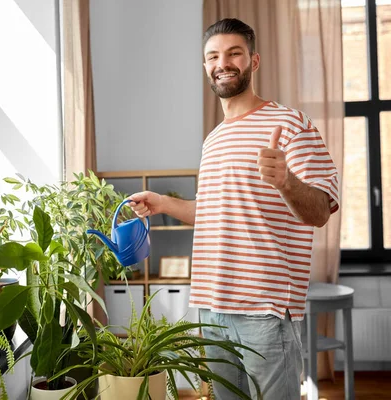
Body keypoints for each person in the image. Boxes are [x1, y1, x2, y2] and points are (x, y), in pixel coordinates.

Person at [128, 18, 339, 400]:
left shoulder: (290, 124)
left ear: (253, 62)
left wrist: (285, 181)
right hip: (211, 304)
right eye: (213, 56)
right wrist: (160, 203)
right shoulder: (214, 139)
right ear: (205, 66)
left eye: (233, 53)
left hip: (265, 307)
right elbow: (214, 213)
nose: (222, 62)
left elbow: (320, 211)